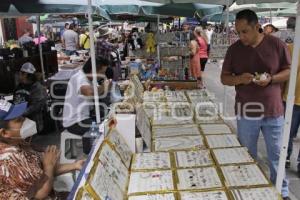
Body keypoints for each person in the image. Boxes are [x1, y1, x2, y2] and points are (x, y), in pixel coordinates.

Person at [220, 10, 291, 200]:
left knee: (277, 155)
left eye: (245, 31)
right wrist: (239, 79)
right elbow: (224, 78)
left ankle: (281, 191)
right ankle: (249, 189)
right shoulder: (234, 50)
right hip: (246, 111)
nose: (241, 36)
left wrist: (272, 78)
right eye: (238, 32)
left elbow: (289, 71)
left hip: (273, 110)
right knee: (247, 154)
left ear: (256, 26)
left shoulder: (277, 44)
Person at [0, 99, 85, 199]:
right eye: (19, 120)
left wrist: (74, 165)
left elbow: (41, 169)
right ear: (4, 133)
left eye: (22, 117)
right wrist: (49, 166)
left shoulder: (20, 144)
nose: (25, 120)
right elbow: (37, 195)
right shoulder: (8, 160)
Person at [62, 57, 110, 135]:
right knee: (104, 132)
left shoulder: (88, 77)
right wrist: (104, 86)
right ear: (92, 71)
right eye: (102, 72)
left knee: (109, 119)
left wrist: (105, 88)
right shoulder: (80, 78)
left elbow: (97, 93)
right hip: (75, 122)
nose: (103, 75)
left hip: (85, 115)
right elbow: (90, 92)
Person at [283, 17, 300, 176]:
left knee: (288, 130)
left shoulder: (290, 48)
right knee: (288, 130)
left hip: (291, 96)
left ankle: (287, 157)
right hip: (292, 97)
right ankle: (287, 157)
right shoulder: (291, 48)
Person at [13, 62, 47, 133]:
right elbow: (15, 100)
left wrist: (21, 113)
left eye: (20, 73)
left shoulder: (37, 88)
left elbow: (36, 106)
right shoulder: (19, 86)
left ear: (25, 74)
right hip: (17, 120)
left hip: (32, 123)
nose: (18, 75)